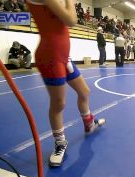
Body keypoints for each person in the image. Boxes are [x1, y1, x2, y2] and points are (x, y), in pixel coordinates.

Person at [27, 0, 105, 167]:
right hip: (51, 58)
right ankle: (60, 143)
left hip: (63, 56)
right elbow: (71, 20)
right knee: (59, 104)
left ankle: (89, 123)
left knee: (84, 92)